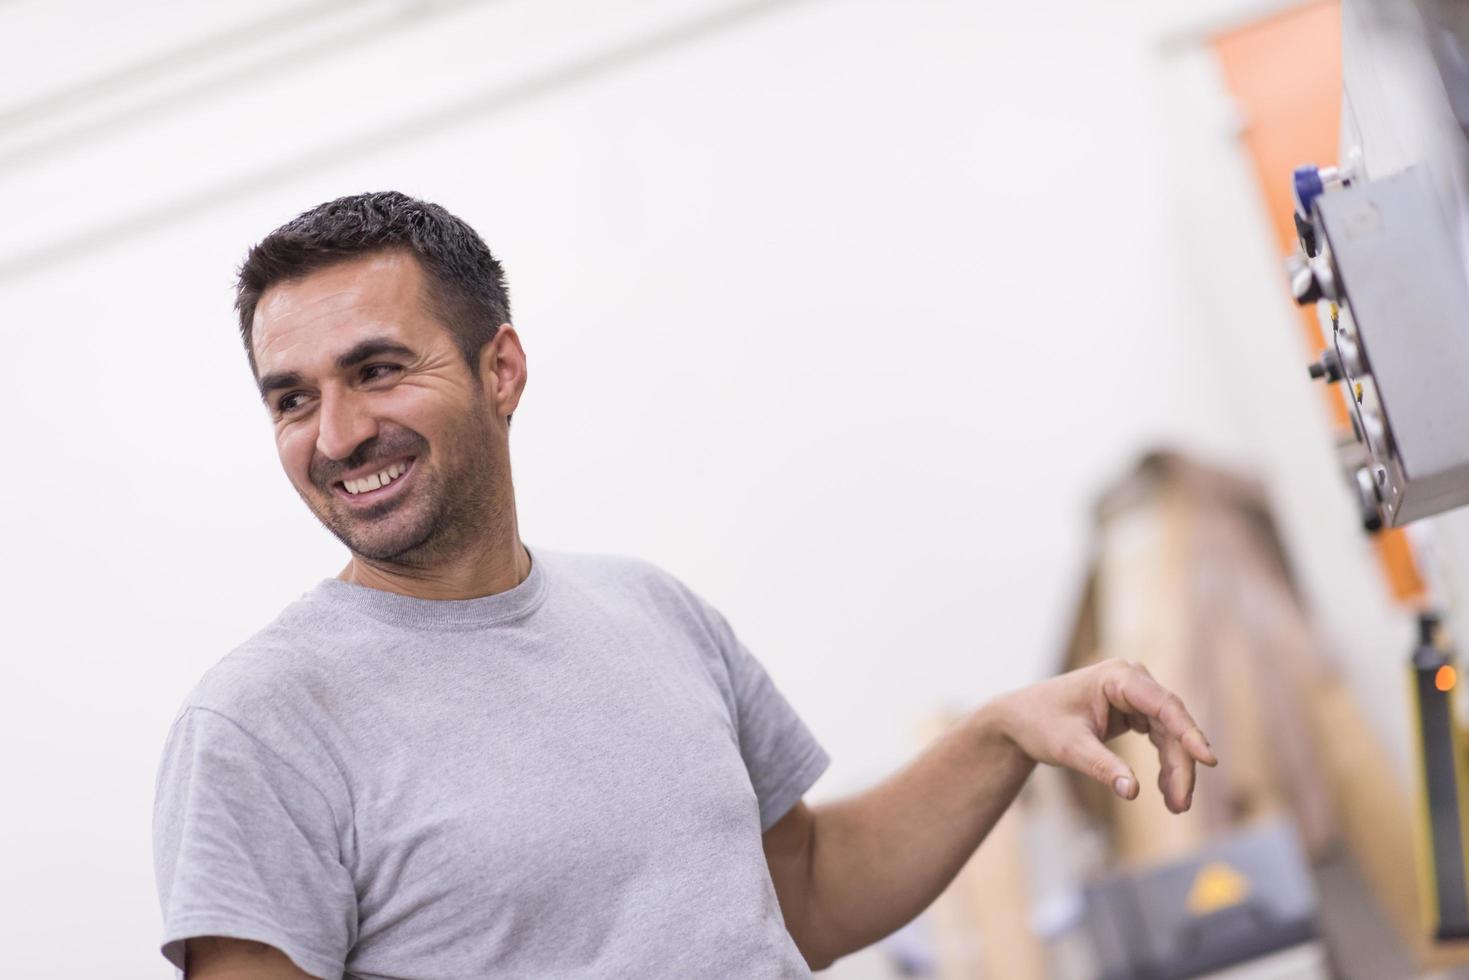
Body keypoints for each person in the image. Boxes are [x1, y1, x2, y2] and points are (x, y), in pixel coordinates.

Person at [151, 191, 1217, 979]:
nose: (336, 434)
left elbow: (797, 890)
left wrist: (1000, 733)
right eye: (292, 400)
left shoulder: (649, 610)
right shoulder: (261, 723)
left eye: (378, 370)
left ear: (501, 368)